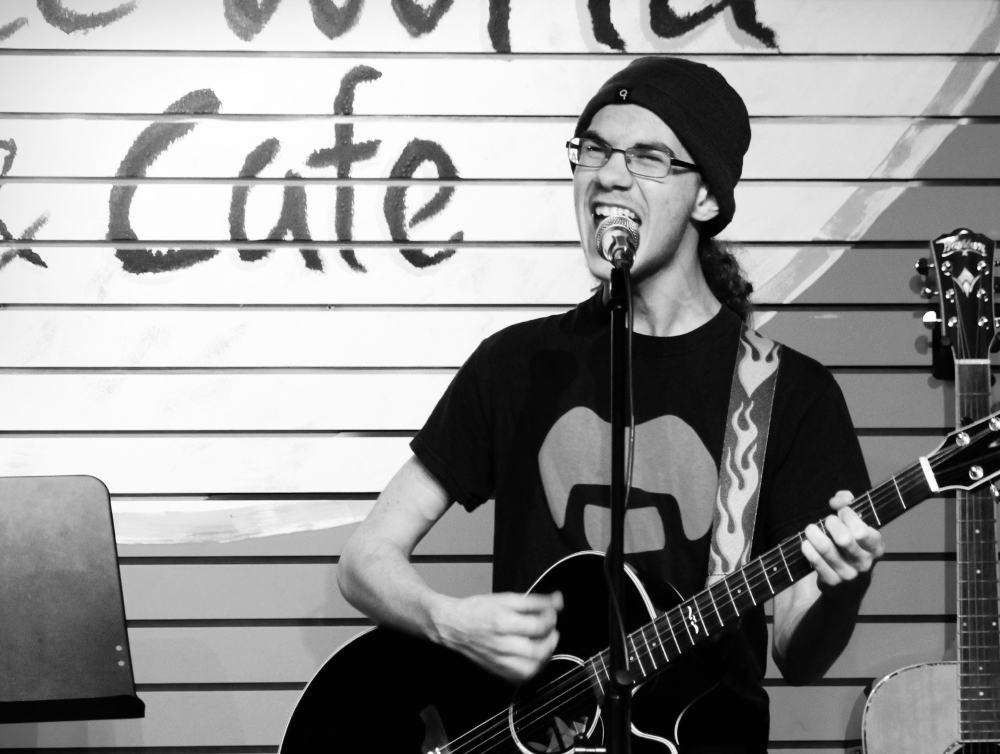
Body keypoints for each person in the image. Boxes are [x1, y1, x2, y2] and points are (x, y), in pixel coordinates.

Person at [338, 56, 884, 753]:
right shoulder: (518, 365)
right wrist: (452, 621)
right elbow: (365, 560)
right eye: (593, 149)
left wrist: (842, 587)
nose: (610, 175)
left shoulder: (788, 394)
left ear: (707, 199)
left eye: (649, 157)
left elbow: (799, 658)